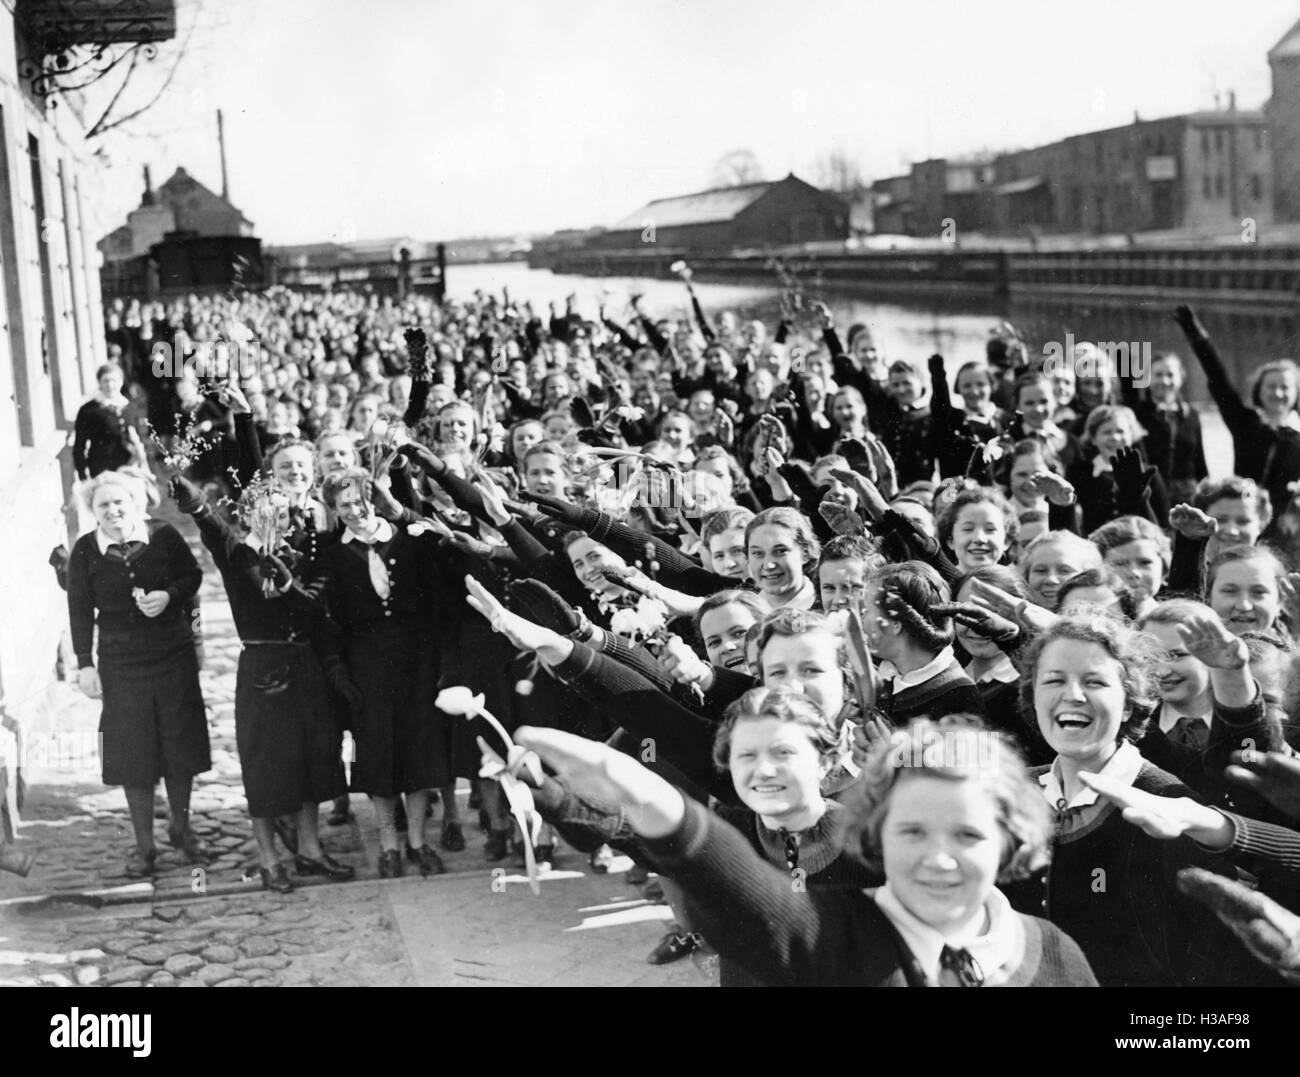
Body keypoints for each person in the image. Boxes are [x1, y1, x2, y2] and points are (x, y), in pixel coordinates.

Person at [509, 718, 1097, 986]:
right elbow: (752, 892)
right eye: (911, 832)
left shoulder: (1054, 954)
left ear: (1011, 841)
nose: (938, 859)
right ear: (876, 836)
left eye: (967, 835)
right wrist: (646, 798)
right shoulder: (844, 939)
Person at [1013, 614, 1278, 985]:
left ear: (1128, 705)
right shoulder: (1011, 793)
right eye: (1054, 680)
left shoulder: (1168, 804)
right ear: (1033, 696)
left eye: (1095, 681)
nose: (1072, 695)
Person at [66, 470, 210, 877]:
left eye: (119, 502)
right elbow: (79, 610)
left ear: (136, 503)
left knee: (180, 747)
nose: (113, 511)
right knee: (135, 752)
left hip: (172, 655)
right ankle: (145, 846)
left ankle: (181, 828)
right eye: (103, 505)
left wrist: (170, 596)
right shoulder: (85, 552)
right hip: (121, 664)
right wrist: (85, 665)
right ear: (92, 511)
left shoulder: (163, 535)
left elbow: (193, 577)